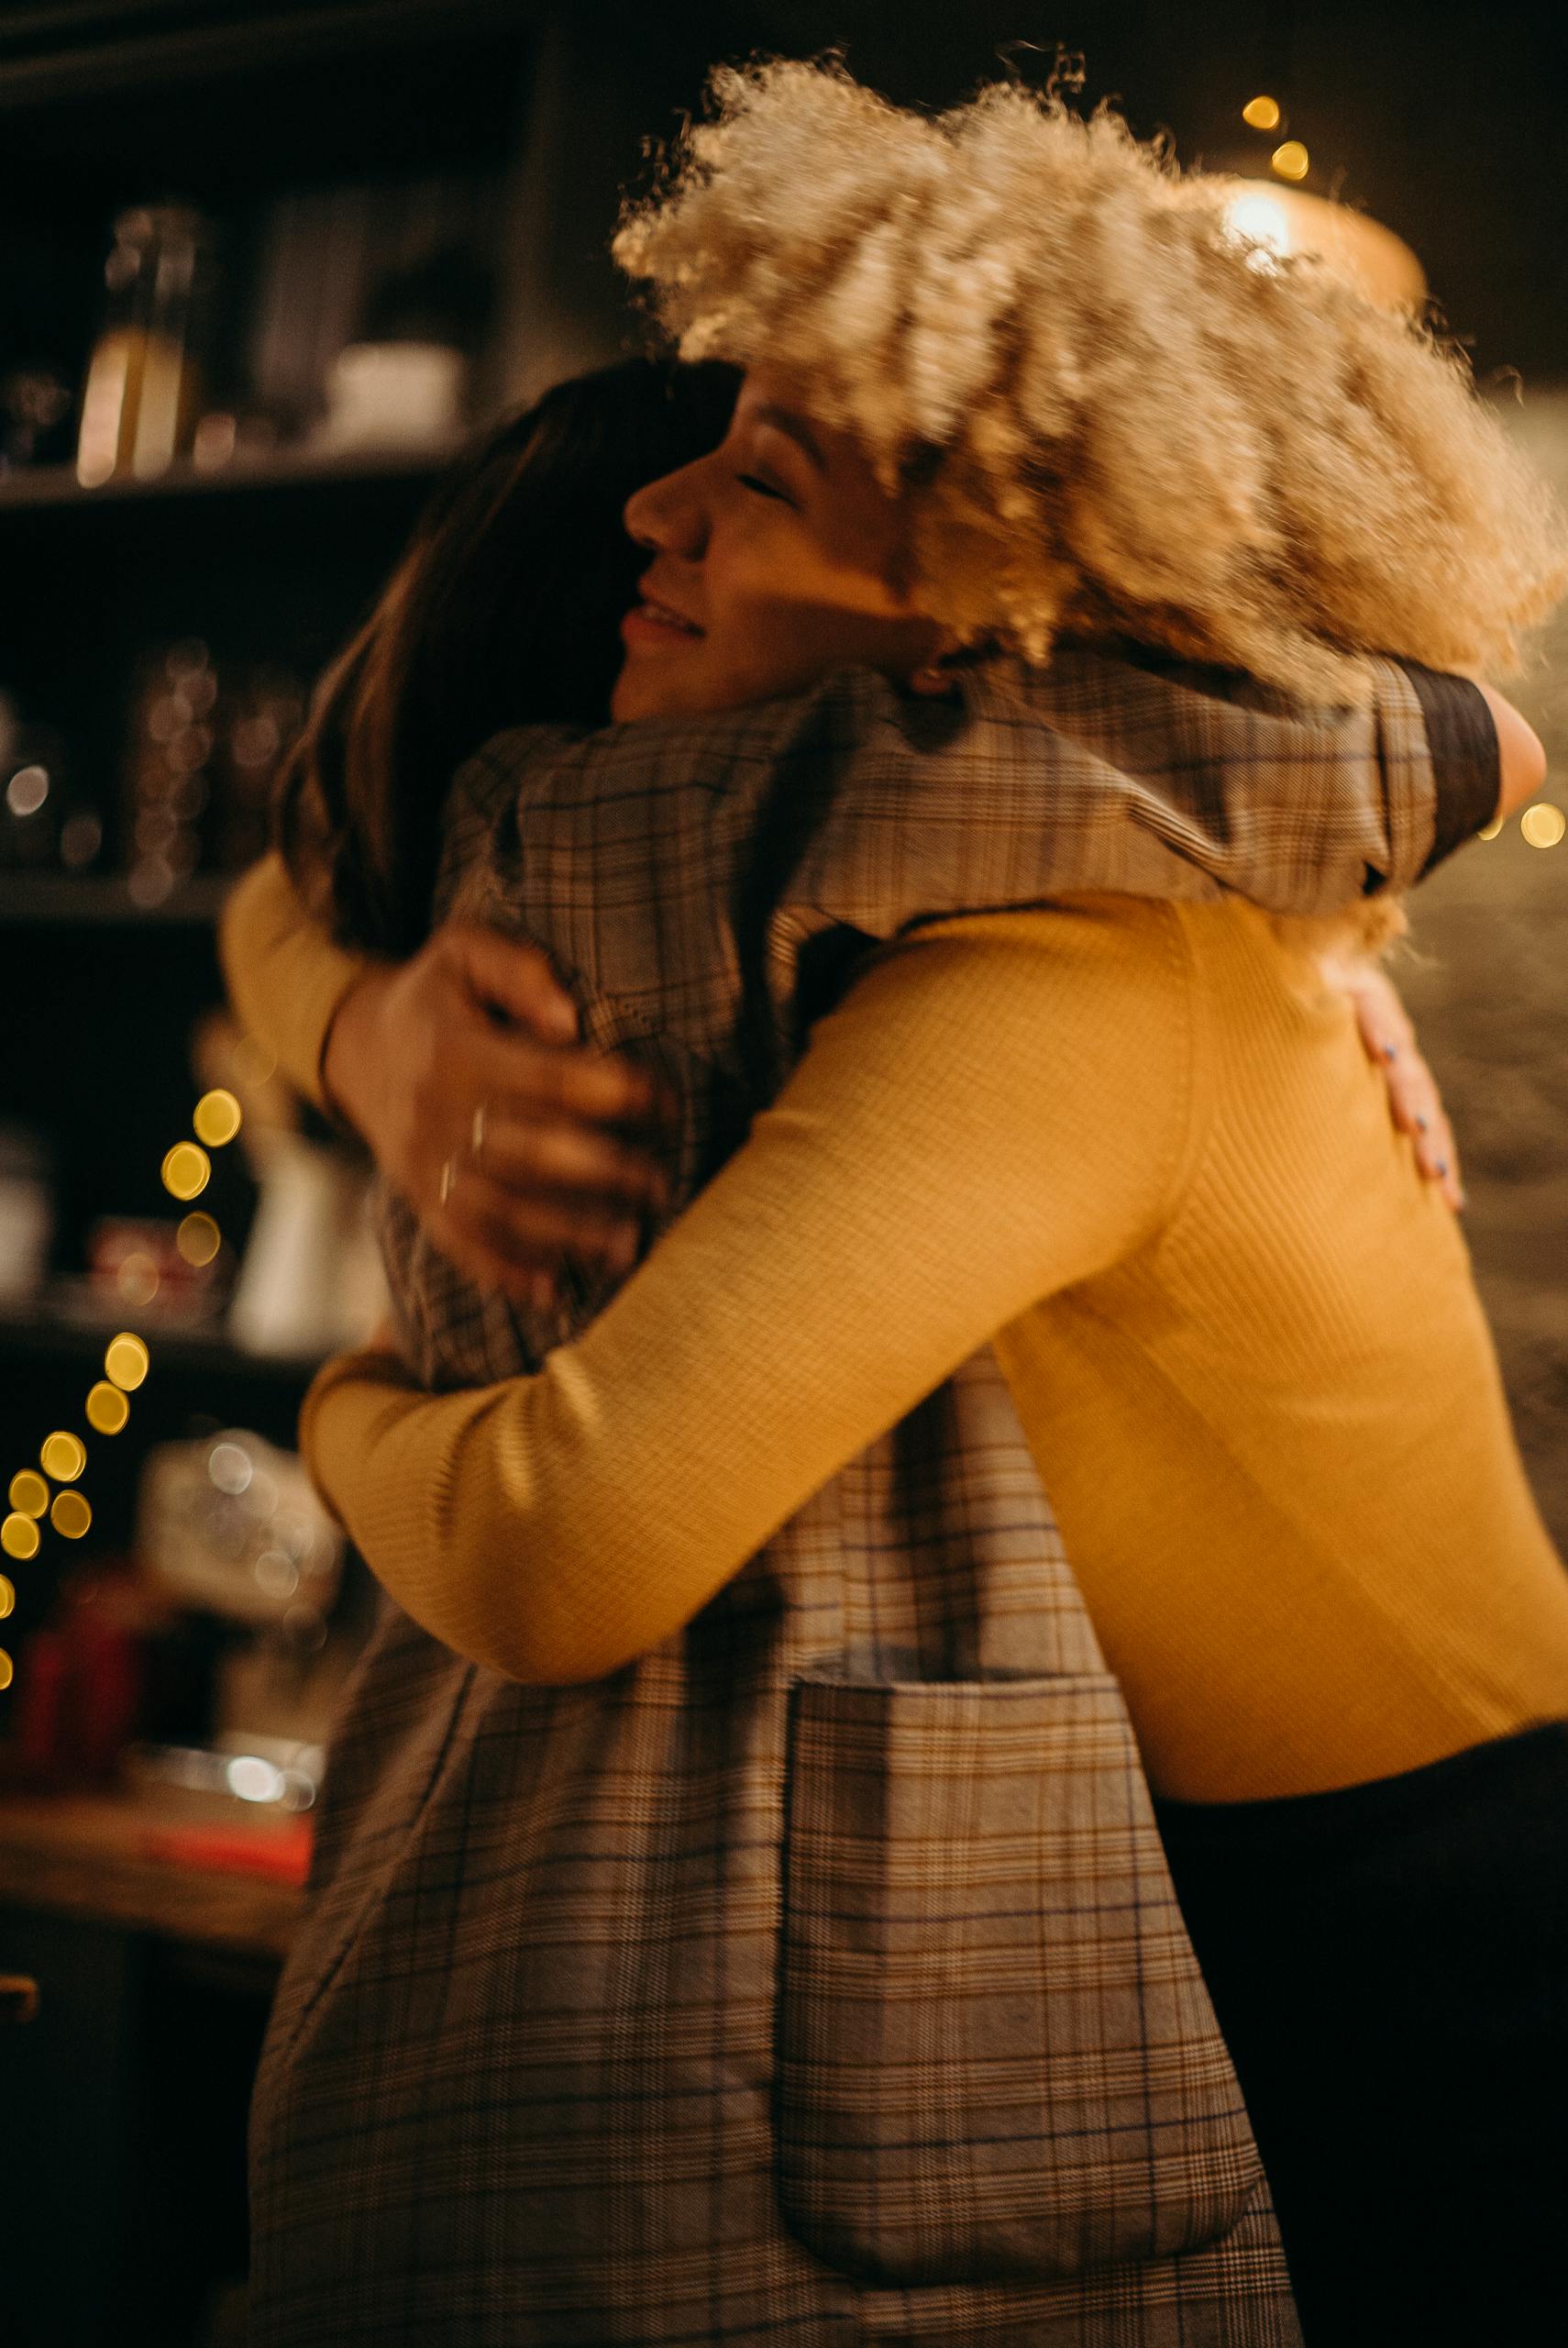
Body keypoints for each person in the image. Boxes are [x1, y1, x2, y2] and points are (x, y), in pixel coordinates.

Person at [227, 64, 1566, 2348]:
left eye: (756, 477)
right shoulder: (888, 866)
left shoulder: (1057, 988)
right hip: (1246, 1860)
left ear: (996, 602)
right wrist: (363, 1029)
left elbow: (561, 1540)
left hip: (1421, 1933)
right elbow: (292, 876)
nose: (659, 509)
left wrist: (345, 1406)